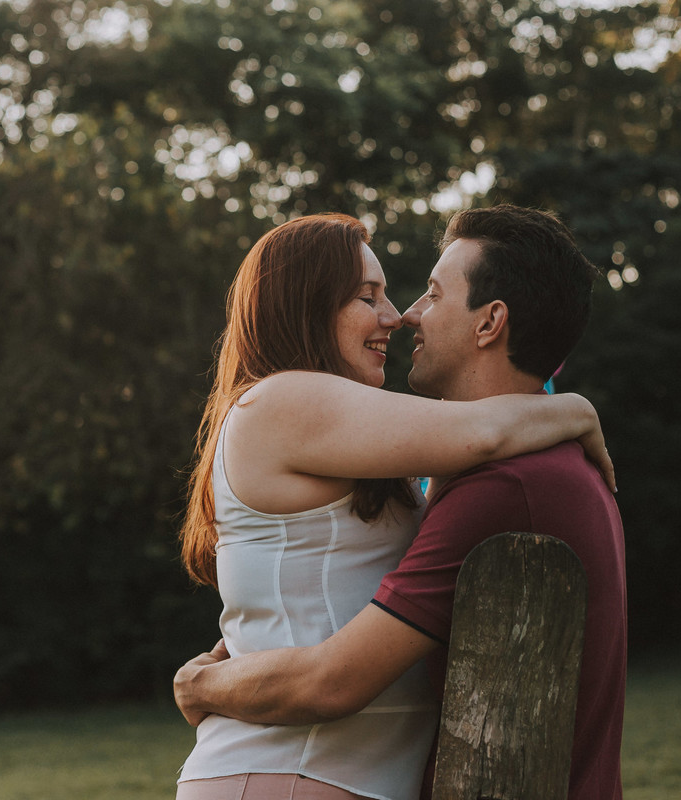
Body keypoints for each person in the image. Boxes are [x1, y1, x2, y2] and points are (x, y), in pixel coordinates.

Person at [175, 206, 627, 800]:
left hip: (331, 773)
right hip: (290, 770)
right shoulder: (281, 400)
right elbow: (481, 432)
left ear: (491, 322)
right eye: (368, 297)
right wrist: (576, 410)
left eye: (427, 294)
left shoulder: (398, 454)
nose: (399, 314)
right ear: (309, 307)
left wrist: (223, 673)